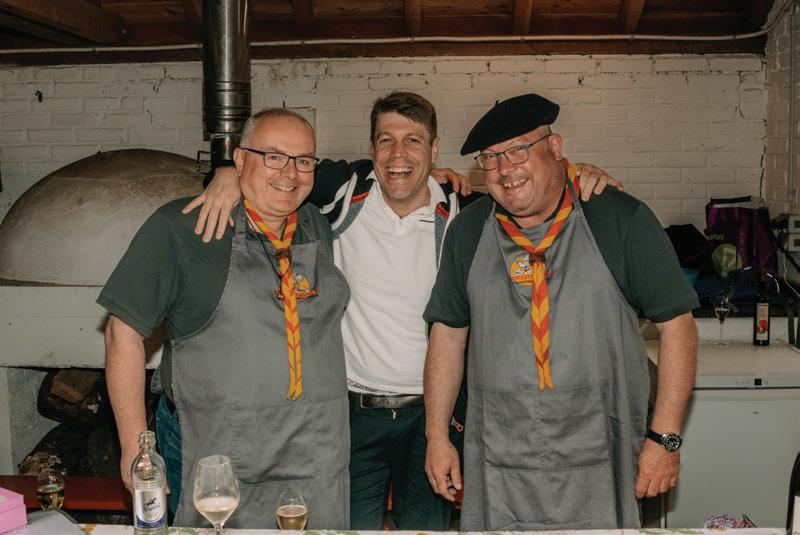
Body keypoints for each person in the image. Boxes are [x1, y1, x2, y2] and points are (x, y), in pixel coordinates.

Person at [186, 91, 621, 529]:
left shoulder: (464, 210)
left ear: (434, 150)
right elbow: (274, 172)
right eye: (386, 140)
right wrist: (226, 173)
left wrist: (577, 173)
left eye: (413, 141)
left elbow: (527, 186)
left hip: (432, 418)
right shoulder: (343, 190)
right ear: (372, 148)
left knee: (424, 528)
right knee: (347, 528)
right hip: (352, 413)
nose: (398, 154)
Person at [423, 92, 699, 531]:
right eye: (490, 158)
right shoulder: (468, 232)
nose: (504, 168)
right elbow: (447, 336)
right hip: (499, 461)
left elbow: (678, 326)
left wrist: (664, 438)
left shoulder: (617, 219)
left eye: (518, 149)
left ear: (555, 148)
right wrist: (437, 436)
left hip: (604, 455)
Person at [100, 108, 350, 528]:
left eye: (304, 160)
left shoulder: (316, 225)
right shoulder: (183, 228)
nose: (290, 173)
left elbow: (387, 177)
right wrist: (134, 447)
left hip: (318, 451)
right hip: (222, 453)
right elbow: (120, 333)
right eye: (273, 156)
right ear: (240, 158)